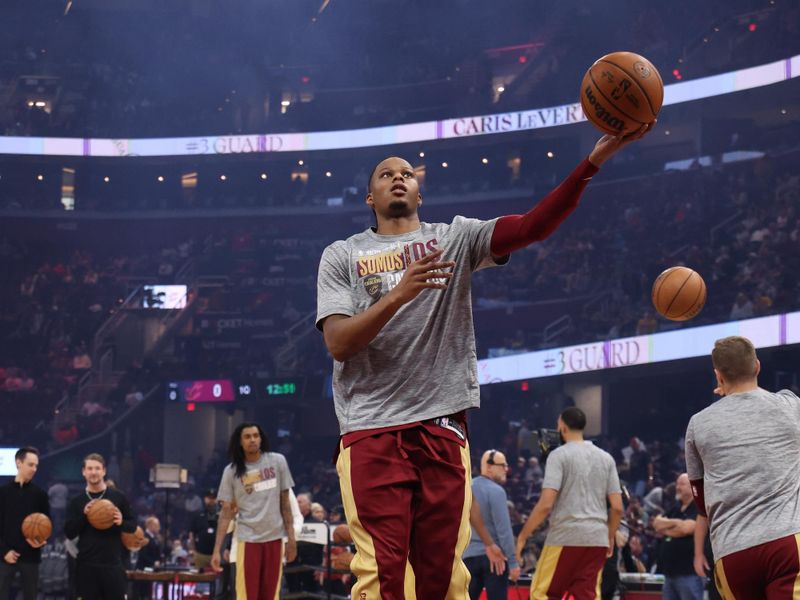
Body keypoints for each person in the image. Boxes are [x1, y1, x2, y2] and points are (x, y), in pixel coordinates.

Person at [316, 126, 651, 599]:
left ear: (418, 190)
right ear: (370, 196)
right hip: (370, 428)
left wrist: (590, 164)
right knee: (380, 575)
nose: (397, 178)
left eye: (407, 173)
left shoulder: (454, 237)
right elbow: (338, 343)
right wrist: (398, 294)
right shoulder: (342, 254)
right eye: (385, 174)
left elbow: (533, 225)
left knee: (444, 579)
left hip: (441, 426)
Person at [685, 335, 800, 598]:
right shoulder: (791, 406)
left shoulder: (698, 424)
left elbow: (701, 502)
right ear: (758, 366)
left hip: (732, 548)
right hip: (787, 541)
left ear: (718, 375)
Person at [515, 407, 624, 599]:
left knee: (543, 593)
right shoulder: (606, 458)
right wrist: (609, 536)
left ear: (563, 427)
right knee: (587, 595)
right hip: (597, 540)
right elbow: (617, 507)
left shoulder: (559, 455)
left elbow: (546, 504)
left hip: (566, 536)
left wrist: (523, 535)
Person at [210, 423, 297, 600]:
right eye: (247, 437)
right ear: (240, 442)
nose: (253, 440)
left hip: (275, 538)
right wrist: (217, 549)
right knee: (248, 596)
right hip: (248, 539)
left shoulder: (278, 461)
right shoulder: (231, 471)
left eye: (256, 435)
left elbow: (285, 505)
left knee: (271, 595)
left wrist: (292, 539)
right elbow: (226, 513)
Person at [65, 453, 136, 600]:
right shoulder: (76, 501)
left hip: (113, 565)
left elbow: (132, 527)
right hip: (86, 566)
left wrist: (121, 522)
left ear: (104, 471)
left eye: (97, 468)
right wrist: (84, 516)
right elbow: (69, 533)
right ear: (83, 472)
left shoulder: (119, 497)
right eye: (89, 468)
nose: (93, 472)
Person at [463, 450, 520, 600]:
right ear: (489, 467)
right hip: (494, 560)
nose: (506, 469)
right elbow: (504, 531)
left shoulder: (467, 488)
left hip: (467, 558)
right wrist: (513, 563)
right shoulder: (497, 491)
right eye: (502, 465)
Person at [0, 447, 50, 600]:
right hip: (5, 555)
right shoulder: (3, 492)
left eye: (36, 465)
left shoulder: (40, 494)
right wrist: (4, 551)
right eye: (30, 464)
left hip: (30, 555)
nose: (34, 469)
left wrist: (41, 540)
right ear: (18, 463)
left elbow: (46, 524)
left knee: (31, 596)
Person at [652, 474, 703, 600]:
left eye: (682, 484)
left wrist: (667, 527)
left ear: (692, 486)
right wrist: (677, 524)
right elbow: (657, 523)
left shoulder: (698, 507)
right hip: (669, 574)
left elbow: (688, 528)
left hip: (689, 573)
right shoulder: (675, 507)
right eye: (677, 484)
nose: (677, 487)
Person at [188, 489, 218, 571]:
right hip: (200, 554)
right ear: (205, 499)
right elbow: (191, 534)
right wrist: (193, 550)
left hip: (216, 554)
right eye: (209, 498)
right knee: (199, 580)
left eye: (213, 498)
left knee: (217, 580)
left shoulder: (221, 515)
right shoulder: (197, 515)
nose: (211, 500)